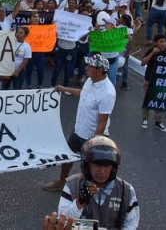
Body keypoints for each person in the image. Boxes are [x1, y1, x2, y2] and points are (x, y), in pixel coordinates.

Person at [43, 54, 116, 192]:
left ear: (99, 70)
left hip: (91, 136)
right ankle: (61, 182)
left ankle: (87, 193)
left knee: (88, 166)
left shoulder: (108, 93)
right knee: (67, 158)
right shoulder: (91, 80)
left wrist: (93, 143)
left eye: (90, 66)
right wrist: (64, 89)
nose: (86, 68)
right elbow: (84, 93)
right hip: (78, 131)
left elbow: (102, 121)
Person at [58, 136, 140, 230]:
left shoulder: (126, 191)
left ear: (113, 168)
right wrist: (79, 202)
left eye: (107, 166)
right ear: (87, 166)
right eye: (97, 165)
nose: (102, 171)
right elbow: (61, 222)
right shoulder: (72, 185)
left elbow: (131, 225)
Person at [140, 34, 166, 132]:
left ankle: (158, 121)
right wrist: (152, 53)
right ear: (155, 43)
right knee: (146, 100)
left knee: (160, 101)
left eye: (165, 41)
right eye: (161, 41)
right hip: (149, 80)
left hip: (161, 82)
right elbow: (143, 62)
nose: (163, 44)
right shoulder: (150, 51)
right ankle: (145, 119)